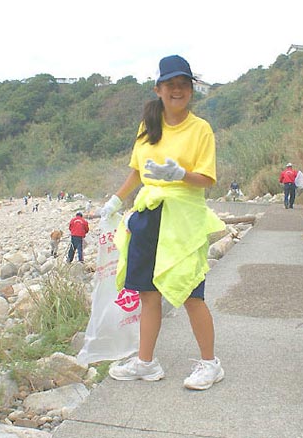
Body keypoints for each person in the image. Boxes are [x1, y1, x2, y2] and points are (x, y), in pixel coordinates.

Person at [99, 55, 226, 390]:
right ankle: (145, 362)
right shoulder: (148, 127)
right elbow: (137, 172)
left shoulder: (200, 129)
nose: (177, 90)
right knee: (147, 292)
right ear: (158, 89)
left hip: (183, 220)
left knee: (189, 292)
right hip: (148, 215)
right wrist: (115, 200)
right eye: (171, 84)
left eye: (183, 84)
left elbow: (206, 179)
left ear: (191, 90)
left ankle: (210, 363)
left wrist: (181, 174)